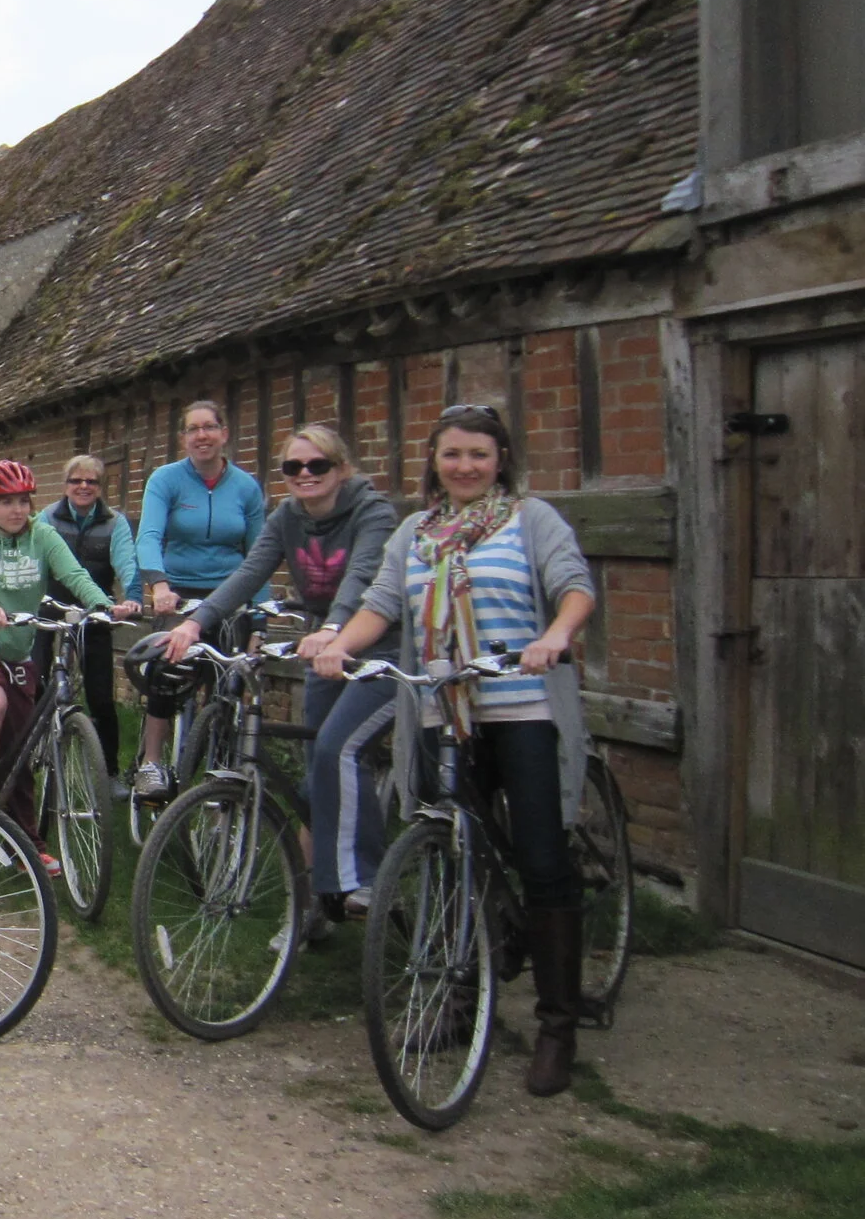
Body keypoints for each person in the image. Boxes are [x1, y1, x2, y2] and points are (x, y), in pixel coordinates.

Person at [316, 405, 597, 1095]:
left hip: (521, 708)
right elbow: (383, 603)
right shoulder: (417, 532)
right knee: (449, 859)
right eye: (452, 455)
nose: (465, 466)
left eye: (478, 453)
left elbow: (574, 588)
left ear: (501, 457)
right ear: (433, 461)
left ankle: (559, 1024)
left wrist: (554, 635)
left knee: (539, 857)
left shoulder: (531, 519)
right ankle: (458, 999)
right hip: (444, 713)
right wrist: (340, 643)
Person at [159, 425, 398, 920]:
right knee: (318, 775)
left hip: (381, 649)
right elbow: (250, 573)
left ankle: (366, 880)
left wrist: (334, 627)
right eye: (293, 468)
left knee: (339, 750)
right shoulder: (287, 516)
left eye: (317, 466)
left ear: (342, 470)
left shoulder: (373, 513)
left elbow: (363, 576)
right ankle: (313, 906)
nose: (305, 475)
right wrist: (195, 623)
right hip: (322, 649)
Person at [0, 460, 135, 841]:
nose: (17, 510)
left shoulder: (42, 535)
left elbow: (75, 574)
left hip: (16, 648)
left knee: (21, 748)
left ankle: (24, 843)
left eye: (24, 501)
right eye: (6, 502)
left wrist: (103, 606)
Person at [131, 400, 267, 798]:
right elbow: (150, 535)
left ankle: (221, 764)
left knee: (230, 682)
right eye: (193, 429)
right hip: (179, 593)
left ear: (225, 433)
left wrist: (259, 619)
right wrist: (158, 585)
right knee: (166, 672)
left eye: (209, 427)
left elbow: (259, 554)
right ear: (184, 438)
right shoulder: (166, 479)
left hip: (230, 594)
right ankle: (152, 763)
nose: (202, 436)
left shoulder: (245, 487)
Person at [40, 455, 139, 778]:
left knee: (100, 694)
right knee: (35, 676)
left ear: (100, 487)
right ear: (65, 485)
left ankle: (109, 772)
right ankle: (32, 753)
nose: (83, 487)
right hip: (50, 604)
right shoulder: (48, 518)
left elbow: (126, 562)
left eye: (91, 481)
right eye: (75, 481)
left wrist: (132, 598)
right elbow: (35, 556)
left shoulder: (114, 522)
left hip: (96, 609)